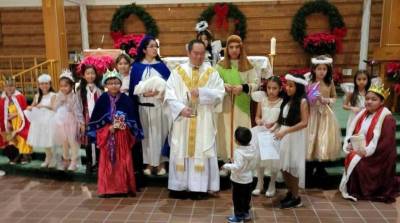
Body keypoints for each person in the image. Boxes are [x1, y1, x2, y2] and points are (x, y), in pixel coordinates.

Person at [165, 39, 225, 199]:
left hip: (203, 118)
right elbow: (169, 94)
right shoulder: (177, 72)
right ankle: (178, 186)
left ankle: (198, 188)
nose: (199, 57)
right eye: (195, 53)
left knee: (201, 147)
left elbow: (220, 93)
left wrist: (203, 93)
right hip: (183, 118)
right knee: (180, 148)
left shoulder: (211, 72)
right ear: (188, 53)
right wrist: (180, 109)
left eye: (202, 54)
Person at [339, 83, 399, 203]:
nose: (369, 102)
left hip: (379, 156)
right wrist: (352, 144)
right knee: (352, 155)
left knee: (358, 160)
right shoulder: (363, 114)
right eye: (367, 99)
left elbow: (386, 146)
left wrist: (365, 152)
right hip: (364, 149)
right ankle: (355, 189)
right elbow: (356, 133)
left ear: (382, 102)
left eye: (374, 99)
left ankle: (365, 190)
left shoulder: (387, 119)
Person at [88, 69, 142, 197]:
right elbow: (96, 119)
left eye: (116, 83)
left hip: (122, 136)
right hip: (107, 136)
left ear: (121, 84)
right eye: (111, 83)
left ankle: (123, 187)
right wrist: (108, 128)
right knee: (108, 163)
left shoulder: (126, 99)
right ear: (106, 85)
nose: (114, 86)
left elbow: (132, 118)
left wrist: (121, 124)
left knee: (123, 161)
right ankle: (107, 189)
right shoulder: (102, 99)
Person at [216, 35, 260, 176]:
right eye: (231, 47)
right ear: (227, 49)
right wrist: (224, 85)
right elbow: (213, 82)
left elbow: (256, 83)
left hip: (241, 104)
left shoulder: (248, 66)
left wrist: (243, 87)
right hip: (226, 104)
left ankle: (241, 162)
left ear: (241, 48)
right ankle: (227, 161)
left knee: (241, 130)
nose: (234, 50)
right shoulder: (220, 66)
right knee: (226, 131)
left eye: (237, 47)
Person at [129, 35, 171, 176]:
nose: (155, 49)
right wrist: (143, 94)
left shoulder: (162, 66)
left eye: (156, 46)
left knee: (160, 134)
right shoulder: (136, 67)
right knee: (146, 136)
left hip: (159, 106)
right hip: (143, 107)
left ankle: (161, 164)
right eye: (152, 46)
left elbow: (171, 86)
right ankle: (148, 164)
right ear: (144, 49)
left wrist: (159, 93)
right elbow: (133, 89)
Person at [275, 74, 309, 209]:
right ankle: (290, 192)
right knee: (284, 167)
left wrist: (285, 131)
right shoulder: (287, 100)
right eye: (286, 85)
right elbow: (282, 119)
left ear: (298, 87)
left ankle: (296, 198)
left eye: (291, 86)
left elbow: (304, 123)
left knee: (292, 167)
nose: (287, 88)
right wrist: (274, 127)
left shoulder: (303, 101)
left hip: (294, 136)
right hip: (285, 134)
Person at [306, 55, 341, 186]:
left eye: (324, 69)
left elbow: (334, 97)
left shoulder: (329, 82)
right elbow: (306, 98)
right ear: (314, 69)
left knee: (323, 139)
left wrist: (325, 100)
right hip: (312, 114)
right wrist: (311, 99)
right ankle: (309, 169)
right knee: (312, 139)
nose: (321, 71)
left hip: (325, 115)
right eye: (319, 69)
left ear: (328, 70)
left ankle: (320, 169)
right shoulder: (309, 82)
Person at [252, 76, 283, 197]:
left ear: (280, 89)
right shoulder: (262, 101)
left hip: (275, 132)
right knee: (260, 159)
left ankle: (272, 183)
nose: (271, 91)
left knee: (274, 160)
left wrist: (275, 125)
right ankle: (260, 183)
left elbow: (282, 119)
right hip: (262, 131)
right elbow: (257, 117)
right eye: (269, 88)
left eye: (274, 88)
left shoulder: (282, 102)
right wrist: (259, 121)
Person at [222, 127, 257, 223]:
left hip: (238, 180)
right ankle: (245, 214)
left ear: (237, 141)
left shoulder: (238, 152)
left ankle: (238, 217)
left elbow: (238, 166)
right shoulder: (253, 149)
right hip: (249, 178)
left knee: (237, 199)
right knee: (246, 198)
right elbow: (249, 163)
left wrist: (226, 165)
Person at [52, 70, 84, 171]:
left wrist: (81, 123)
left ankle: (74, 161)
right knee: (64, 142)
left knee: (73, 142)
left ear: (71, 86)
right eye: (61, 86)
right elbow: (54, 108)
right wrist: (59, 102)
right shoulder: (58, 96)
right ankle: (66, 160)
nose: (63, 88)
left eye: (66, 86)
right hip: (61, 122)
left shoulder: (74, 97)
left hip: (72, 122)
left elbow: (78, 110)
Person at [24, 74, 57, 168]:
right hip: (40, 121)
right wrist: (30, 107)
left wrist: (43, 106)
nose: (44, 86)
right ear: (39, 85)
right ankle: (48, 158)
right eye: (42, 84)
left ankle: (52, 158)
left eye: (46, 83)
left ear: (50, 84)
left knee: (49, 140)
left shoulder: (53, 95)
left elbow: (54, 108)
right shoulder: (37, 95)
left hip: (50, 120)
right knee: (44, 140)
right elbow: (32, 105)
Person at [76, 64, 103, 174]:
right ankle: (89, 163)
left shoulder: (100, 90)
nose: (90, 75)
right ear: (83, 75)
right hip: (86, 118)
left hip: (97, 119)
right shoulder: (80, 91)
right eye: (88, 73)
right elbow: (78, 107)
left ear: (96, 75)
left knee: (98, 141)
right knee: (87, 142)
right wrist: (81, 123)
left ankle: (98, 163)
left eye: (92, 73)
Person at [0, 75, 32, 164]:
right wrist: (7, 121)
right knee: (8, 137)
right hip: (10, 124)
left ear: (15, 86)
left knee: (22, 135)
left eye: (11, 86)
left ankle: (25, 155)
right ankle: (15, 155)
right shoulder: (2, 99)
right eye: (7, 86)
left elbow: (24, 111)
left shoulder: (20, 96)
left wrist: (15, 115)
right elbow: (2, 114)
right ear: (4, 87)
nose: (9, 88)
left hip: (21, 122)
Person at [342, 70, 370, 135]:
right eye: (359, 79)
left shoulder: (370, 92)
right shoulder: (351, 92)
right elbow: (344, 106)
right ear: (355, 80)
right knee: (353, 134)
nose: (361, 81)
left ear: (368, 80)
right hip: (354, 117)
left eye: (364, 79)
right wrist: (352, 108)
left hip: (366, 116)